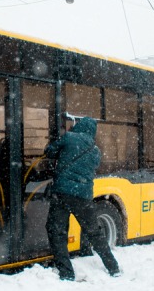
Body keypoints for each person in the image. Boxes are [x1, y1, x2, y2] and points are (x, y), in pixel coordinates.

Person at [44, 117, 120, 281]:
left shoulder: (69, 138)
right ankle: (113, 267)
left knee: (57, 231)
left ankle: (66, 273)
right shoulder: (96, 151)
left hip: (62, 193)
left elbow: (49, 151)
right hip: (83, 196)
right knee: (94, 233)